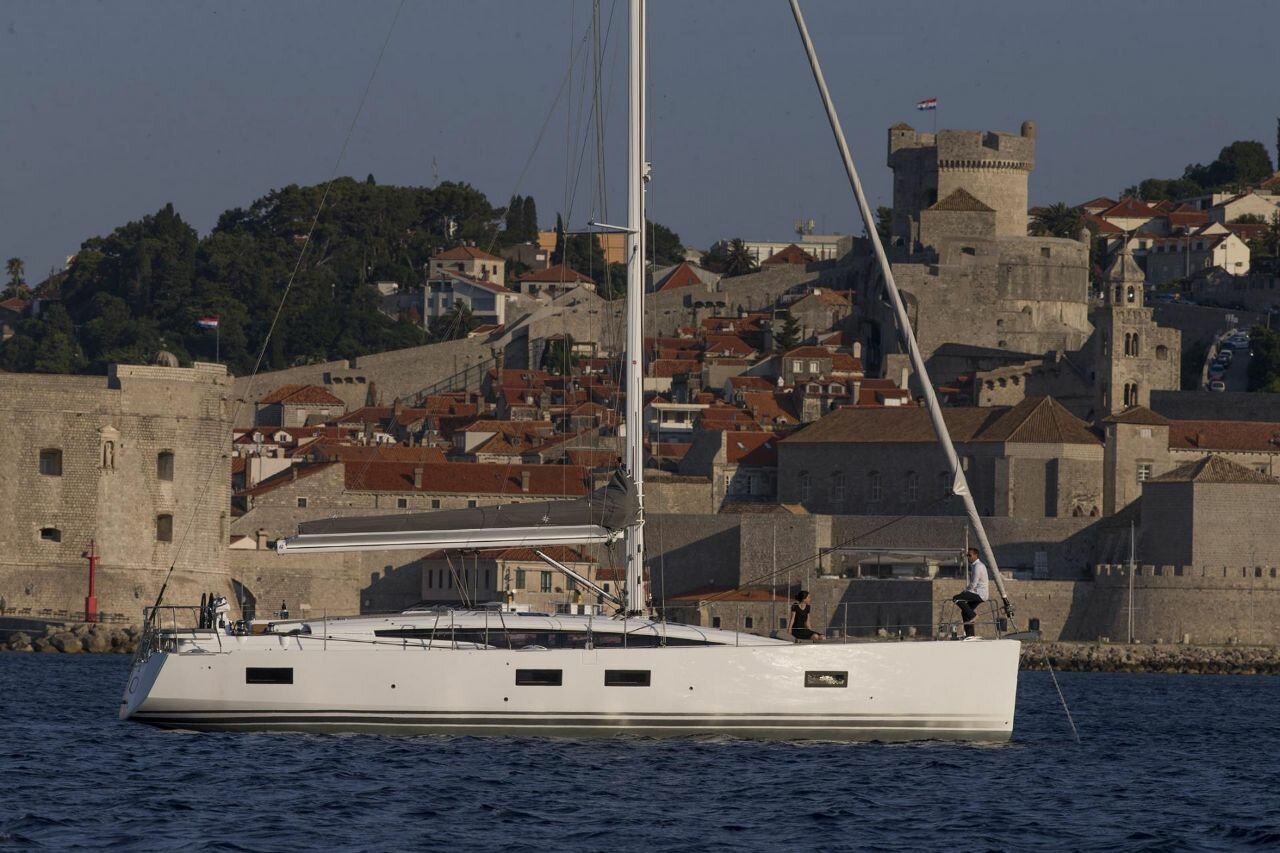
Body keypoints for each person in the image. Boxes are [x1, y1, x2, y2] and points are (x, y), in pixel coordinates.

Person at [952, 547, 989, 638]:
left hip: (979, 593)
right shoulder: (975, 566)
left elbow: (973, 583)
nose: (968, 557)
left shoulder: (978, 566)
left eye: (969, 555)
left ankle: (973, 615)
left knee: (956, 598)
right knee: (965, 612)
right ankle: (970, 635)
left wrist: (965, 591)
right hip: (978, 593)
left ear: (976, 555)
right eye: (967, 555)